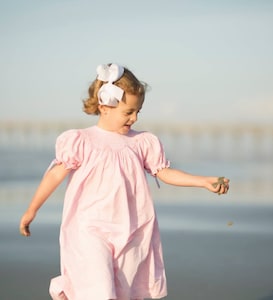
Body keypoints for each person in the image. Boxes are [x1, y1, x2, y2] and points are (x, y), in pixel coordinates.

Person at [19, 63, 229, 300]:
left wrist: (202, 181)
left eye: (138, 111)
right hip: (89, 227)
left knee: (123, 291)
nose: (134, 117)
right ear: (104, 107)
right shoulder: (81, 141)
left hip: (132, 228)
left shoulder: (142, 142)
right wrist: (32, 209)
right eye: (128, 112)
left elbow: (163, 172)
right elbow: (56, 174)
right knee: (98, 287)